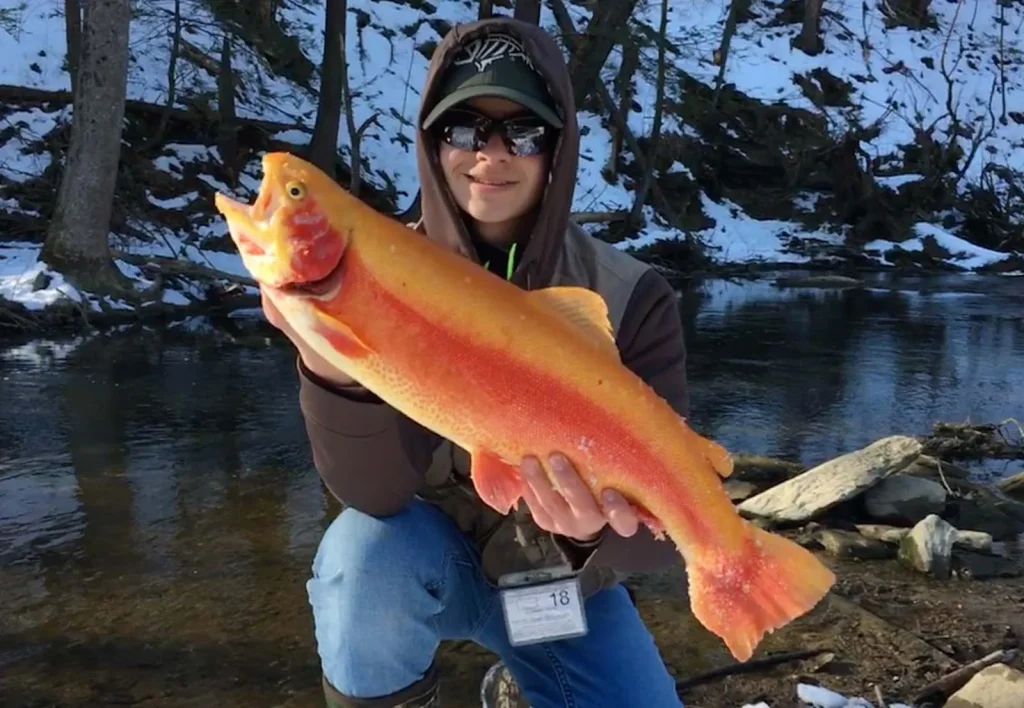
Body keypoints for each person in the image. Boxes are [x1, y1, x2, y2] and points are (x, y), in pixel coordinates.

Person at [264, 16, 691, 708]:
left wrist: (590, 538)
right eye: (464, 129)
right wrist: (335, 374)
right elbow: (372, 497)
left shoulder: (634, 297)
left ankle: (522, 680)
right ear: (432, 143)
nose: (490, 155)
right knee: (358, 558)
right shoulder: (373, 275)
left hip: (560, 589)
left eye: (521, 132)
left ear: (557, 149)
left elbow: (660, 541)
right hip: (425, 562)